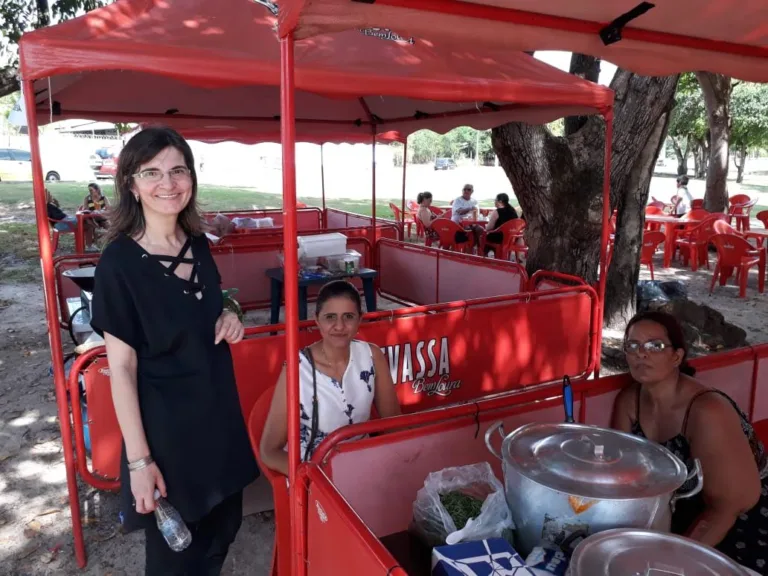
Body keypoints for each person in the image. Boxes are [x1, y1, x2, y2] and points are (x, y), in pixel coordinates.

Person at [90, 126, 258, 575]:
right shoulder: (118, 265)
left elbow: (214, 299)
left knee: (223, 533)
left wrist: (230, 312)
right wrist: (140, 462)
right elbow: (121, 369)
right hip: (167, 442)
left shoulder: (198, 244)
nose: (168, 183)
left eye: (178, 170)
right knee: (176, 559)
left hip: (219, 424)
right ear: (130, 183)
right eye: (152, 172)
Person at [611, 311, 768, 573]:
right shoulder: (631, 401)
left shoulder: (706, 411)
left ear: (677, 356)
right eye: (632, 345)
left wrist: (671, 563)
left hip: (742, 524)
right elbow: (621, 474)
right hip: (682, 511)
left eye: (655, 346)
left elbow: (727, 508)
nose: (641, 353)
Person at [260, 280, 402, 475]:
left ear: (360, 319)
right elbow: (269, 451)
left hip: (361, 462)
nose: (339, 326)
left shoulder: (372, 356)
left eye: (348, 316)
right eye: (330, 317)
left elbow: (394, 424)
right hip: (313, 471)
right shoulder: (297, 368)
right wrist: (312, 476)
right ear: (317, 320)